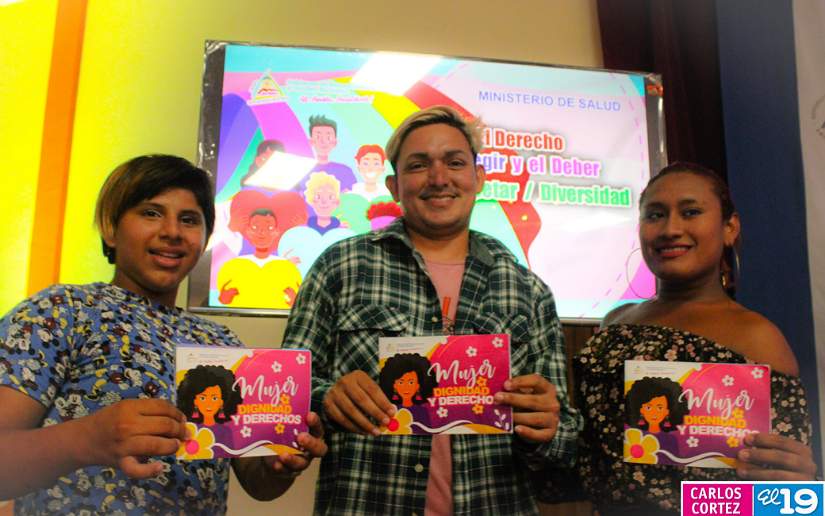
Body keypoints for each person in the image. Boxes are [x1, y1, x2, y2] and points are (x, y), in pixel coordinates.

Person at [282, 106, 581, 514]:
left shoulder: (528, 291)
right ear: (394, 185)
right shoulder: (340, 267)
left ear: (479, 177)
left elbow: (563, 444)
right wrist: (327, 397)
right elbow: (286, 399)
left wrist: (546, 427)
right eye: (419, 165)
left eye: (454, 163)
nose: (439, 178)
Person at [0, 155, 326, 514]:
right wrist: (86, 438)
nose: (172, 231)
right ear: (111, 228)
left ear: (202, 240)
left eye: (189, 220)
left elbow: (256, 480)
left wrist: (278, 466)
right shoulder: (59, 312)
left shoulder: (222, 344)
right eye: (151, 213)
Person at [565, 162, 817, 514]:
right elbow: (580, 469)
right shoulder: (613, 327)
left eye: (691, 212)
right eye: (655, 215)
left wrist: (798, 487)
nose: (670, 228)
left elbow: (783, 500)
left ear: (730, 227)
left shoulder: (759, 338)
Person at [378, 353, 438, 430]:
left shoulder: (422, 412)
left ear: (418, 386)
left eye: (411, 382)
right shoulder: (390, 409)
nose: (406, 387)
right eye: (401, 382)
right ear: (394, 385)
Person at [301, 115, 356, 192]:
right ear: (311, 141)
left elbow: (353, 197)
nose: (323, 141)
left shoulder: (344, 171)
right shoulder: (301, 170)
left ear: (335, 142)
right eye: (318, 137)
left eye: (328, 137)